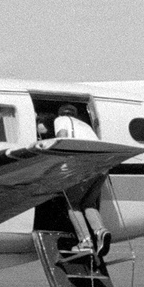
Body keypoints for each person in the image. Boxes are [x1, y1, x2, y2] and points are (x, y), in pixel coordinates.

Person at [53, 104, 111, 259]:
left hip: (83, 166)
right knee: (88, 203)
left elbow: (63, 139)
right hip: (102, 167)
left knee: (72, 204)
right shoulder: (85, 125)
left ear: (61, 114)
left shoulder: (61, 120)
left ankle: (85, 242)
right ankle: (100, 231)